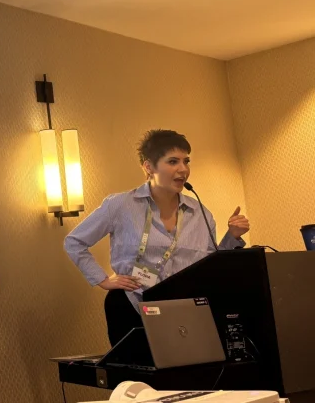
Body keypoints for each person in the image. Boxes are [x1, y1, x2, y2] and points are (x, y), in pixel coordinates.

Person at [63, 129, 251, 347]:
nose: (183, 169)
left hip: (184, 312)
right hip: (132, 306)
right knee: (138, 369)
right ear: (149, 167)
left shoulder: (200, 213)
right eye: (173, 161)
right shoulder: (120, 205)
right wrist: (103, 280)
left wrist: (232, 237)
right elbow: (74, 242)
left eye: (186, 161)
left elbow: (210, 268)